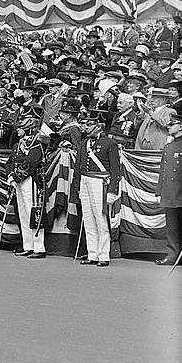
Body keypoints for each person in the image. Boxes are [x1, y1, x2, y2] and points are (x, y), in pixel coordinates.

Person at [73, 109, 121, 267]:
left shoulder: (110, 144)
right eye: (85, 124)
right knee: (88, 218)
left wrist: (113, 191)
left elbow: (115, 170)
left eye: (89, 124)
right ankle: (92, 253)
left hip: (100, 183)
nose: (85, 127)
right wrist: (77, 187)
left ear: (99, 126)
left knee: (101, 219)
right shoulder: (84, 143)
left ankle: (104, 255)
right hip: (85, 182)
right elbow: (79, 167)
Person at [6, 104, 47, 259]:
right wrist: (11, 175)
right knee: (23, 212)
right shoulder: (21, 141)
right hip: (19, 180)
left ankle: (39, 247)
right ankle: (28, 245)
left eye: (23, 121)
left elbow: (32, 161)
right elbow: (12, 160)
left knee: (33, 212)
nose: (19, 126)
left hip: (32, 180)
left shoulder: (38, 140)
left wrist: (16, 176)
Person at [155, 107, 182, 266]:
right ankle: (172, 255)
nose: (169, 127)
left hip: (181, 192)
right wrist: (159, 191)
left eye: (172, 125)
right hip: (171, 194)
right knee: (172, 228)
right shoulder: (169, 146)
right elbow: (163, 172)